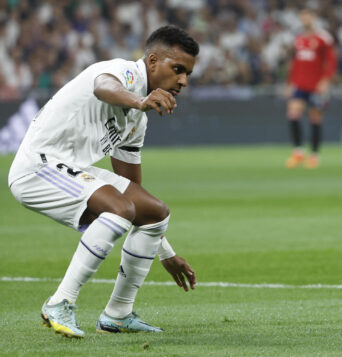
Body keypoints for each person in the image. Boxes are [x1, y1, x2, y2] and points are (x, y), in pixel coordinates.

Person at [8, 25, 200, 338]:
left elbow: (134, 194)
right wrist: (139, 101)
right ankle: (59, 302)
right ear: (152, 61)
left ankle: (118, 314)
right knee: (118, 209)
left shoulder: (138, 120)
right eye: (177, 69)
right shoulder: (122, 72)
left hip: (67, 167)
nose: (183, 81)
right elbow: (102, 87)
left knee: (154, 212)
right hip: (36, 167)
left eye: (188, 74)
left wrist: (165, 253)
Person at [284, 9, 337, 169]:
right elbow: (295, 63)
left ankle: (314, 155)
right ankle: (298, 152)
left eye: (308, 16)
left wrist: (326, 80)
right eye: (302, 17)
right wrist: (290, 83)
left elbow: (331, 61)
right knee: (293, 114)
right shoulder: (298, 39)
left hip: (316, 86)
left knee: (315, 117)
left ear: (314, 18)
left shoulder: (323, 38)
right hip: (300, 84)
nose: (305, 20)